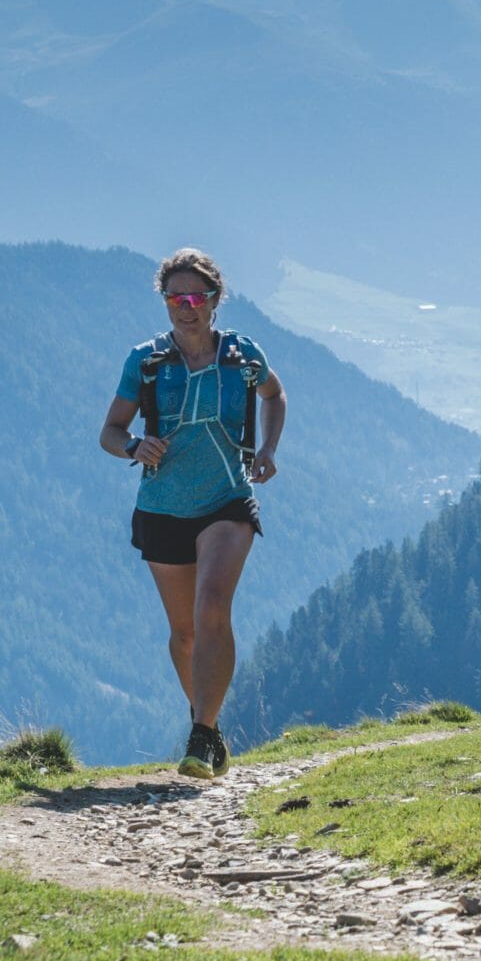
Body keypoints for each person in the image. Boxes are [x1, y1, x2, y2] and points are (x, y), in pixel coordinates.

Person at [99, 248, 286, 779]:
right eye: (174, 297)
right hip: (162, 507)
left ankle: (200, 736)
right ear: (164, 302)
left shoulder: (243, 356)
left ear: (214, 300)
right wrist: (134, 447)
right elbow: (109, 432)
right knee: (184, 634)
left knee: (211, 610)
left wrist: (268, 450)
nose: (185, 306)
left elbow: (275, 396)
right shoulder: (147, 362)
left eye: (195, 296)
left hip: (227, 499)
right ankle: (210, 723)